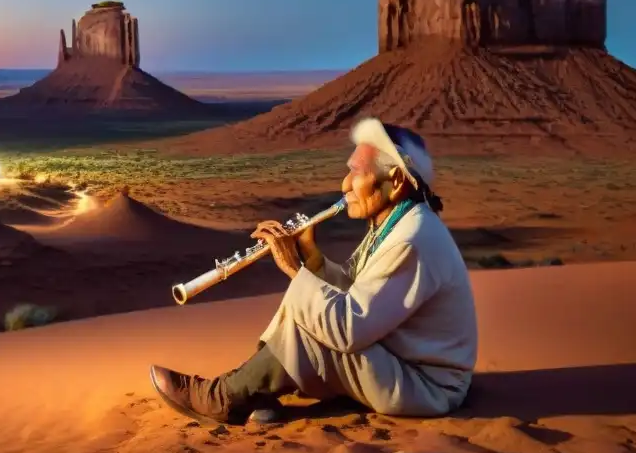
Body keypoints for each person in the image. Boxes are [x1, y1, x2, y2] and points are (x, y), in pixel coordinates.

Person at [149, 117, 479, 425]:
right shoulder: (396, 224)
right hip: (399, 360)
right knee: (308, 302)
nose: (345, 185)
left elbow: (349, 328)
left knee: (312, 326)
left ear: (394, 181)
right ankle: (256, 389)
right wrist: (312, 258)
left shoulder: (412, 239)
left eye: (357, 173)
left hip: (425, 386)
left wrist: (295, 270)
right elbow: (358, 294)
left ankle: (224, 398)